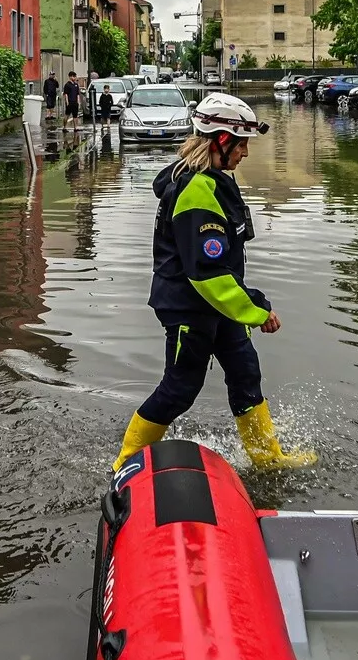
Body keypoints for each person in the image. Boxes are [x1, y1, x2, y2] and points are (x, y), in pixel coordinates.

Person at [112, 93, 315, 472]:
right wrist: (256, 310)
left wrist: (242, 306)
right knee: (180, 389)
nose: (246, 154)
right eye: (241, 145)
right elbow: (207, 272)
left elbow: (220, 266)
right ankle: (124, 465)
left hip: (219, 306)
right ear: (221, 141)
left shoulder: (214, 181)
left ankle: (268, 460)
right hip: (191, 306)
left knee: (245, 374)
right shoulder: (196, 192)